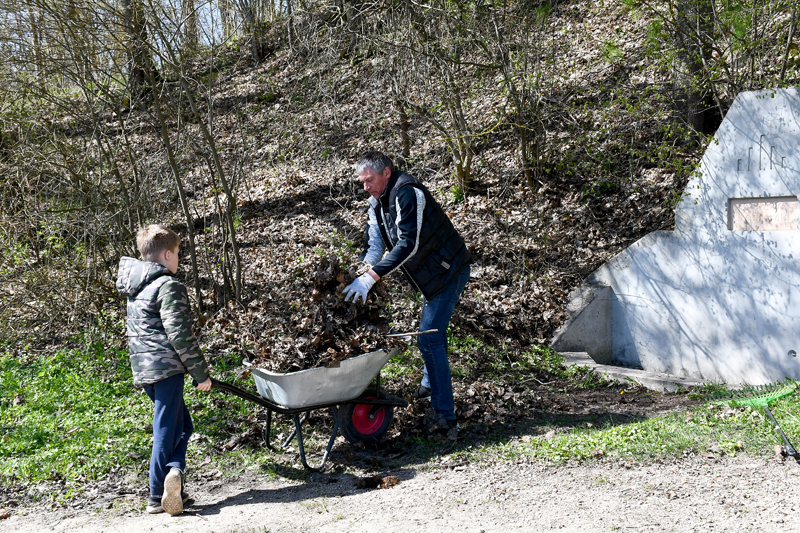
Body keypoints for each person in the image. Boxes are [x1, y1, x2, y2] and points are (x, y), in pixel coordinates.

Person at [343, 151, 472, 435]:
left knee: (429, 339)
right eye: (362, 182)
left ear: (386, 173)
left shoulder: (409, 193)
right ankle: (430, 382)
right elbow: (375, 246)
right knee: (432, 334)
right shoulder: (376, 203)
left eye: (370, 180)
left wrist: (371, 278)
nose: (365, 186)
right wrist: (361, 271)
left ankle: (445, 416)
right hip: (429, 275)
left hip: (448, 270)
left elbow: (408, 244)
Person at [116, 225, 212, 516]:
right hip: (166, 367)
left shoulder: (137, 286)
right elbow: (179, 333)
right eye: (179, 253)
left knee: (182, 426)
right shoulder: (168, 285)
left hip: (143, 368)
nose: (179, 259)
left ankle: (175, 482)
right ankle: (158, 493)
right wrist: (200, 374)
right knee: (167, 429)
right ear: (167, 254)